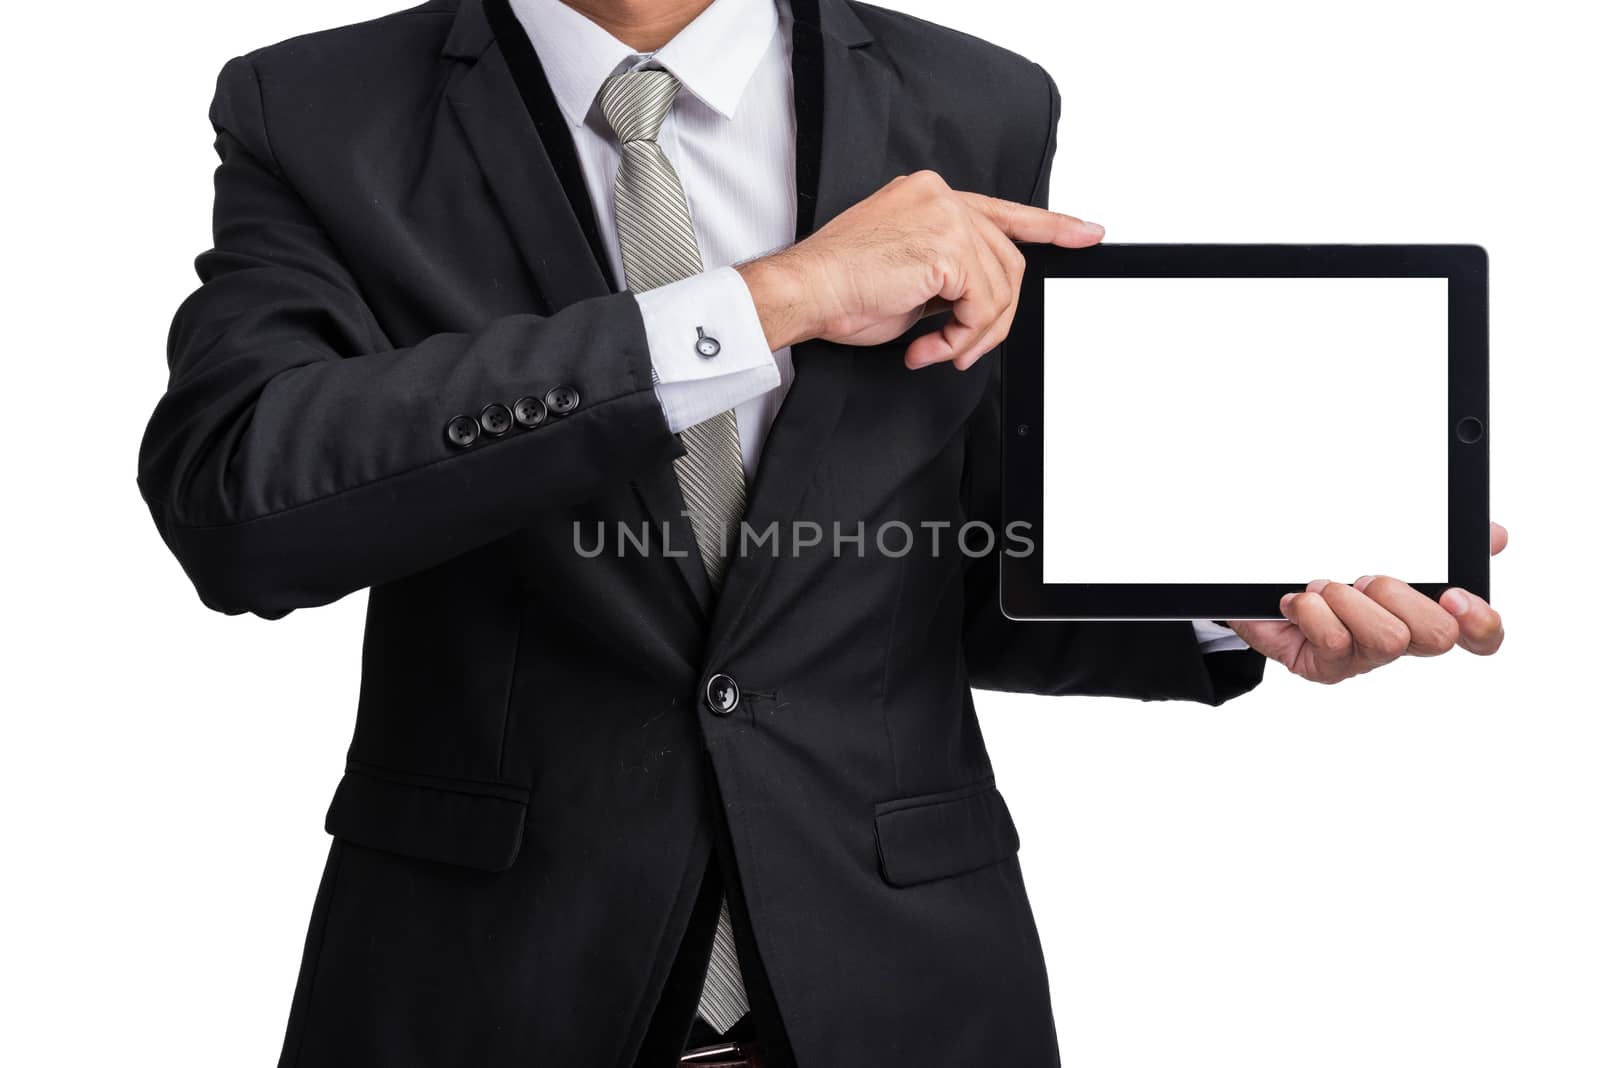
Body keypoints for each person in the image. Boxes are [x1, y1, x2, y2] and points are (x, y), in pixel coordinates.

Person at [136, 0, 1508, 1064]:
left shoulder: (976, 102)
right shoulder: (317, 111)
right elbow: (247, 502)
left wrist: (1218, 605)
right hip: (488, 986)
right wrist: (766, 299)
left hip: (902, 984)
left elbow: (915, 571)